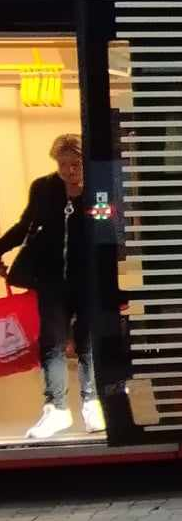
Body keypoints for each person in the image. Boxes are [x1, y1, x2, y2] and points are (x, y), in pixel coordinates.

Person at [0, 134, 103, 438]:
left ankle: (92, 403)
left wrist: (88, 198)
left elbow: (109, 229)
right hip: (51, 278)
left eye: (75, 164)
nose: (69, 171)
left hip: (88, 278)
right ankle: (56, 408)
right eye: (62, 165)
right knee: (52, 343)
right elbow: (25, 226)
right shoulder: (44, 188)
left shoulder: (99, 188)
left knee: (87, 342)